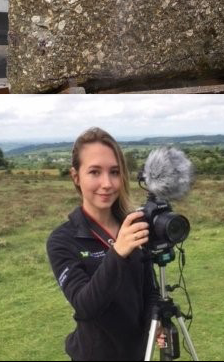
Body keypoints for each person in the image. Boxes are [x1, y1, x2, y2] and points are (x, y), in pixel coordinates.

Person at [47, 127, 162, 360]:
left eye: (114, 172)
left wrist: (155, 322)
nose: (107, 183)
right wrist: (117, 252)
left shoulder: (133, 225)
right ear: (75, 176)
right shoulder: (62, 240)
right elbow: (85, 305)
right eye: (95, 172)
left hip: (140, 353)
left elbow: (149, 289)